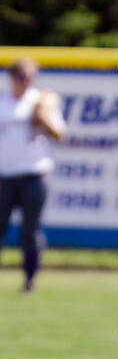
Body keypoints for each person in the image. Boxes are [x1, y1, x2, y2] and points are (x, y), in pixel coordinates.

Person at [0, 59, 65, 292]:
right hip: (5, 176)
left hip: (35, 174)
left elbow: (60, 134)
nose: (27, 81)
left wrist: (43, 118)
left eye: (31, 76)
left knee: (31, 230)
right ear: (13, 78)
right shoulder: (3, 103)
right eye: (22, 76)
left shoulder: (42, 102)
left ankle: (30, 280)